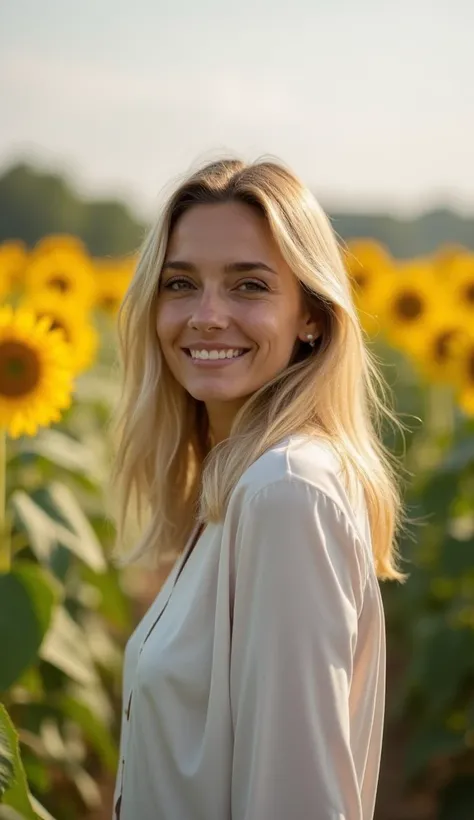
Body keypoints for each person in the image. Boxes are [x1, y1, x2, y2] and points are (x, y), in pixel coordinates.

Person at [109, 157, 407, 820]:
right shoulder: (243, 478)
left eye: (249, 286)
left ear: (311, 317)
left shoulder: (285, 492)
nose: (208, 316)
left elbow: (293, 799)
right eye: (180, 283)